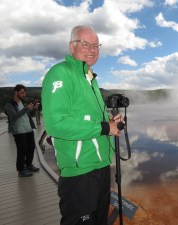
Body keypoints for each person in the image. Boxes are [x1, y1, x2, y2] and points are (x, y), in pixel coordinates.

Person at [42, 25, 122, 225]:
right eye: (85, 44)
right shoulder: (60, 73)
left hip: (102, 166)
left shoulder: (90, 79)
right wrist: (104, 128)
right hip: (80, 172)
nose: (92, 49)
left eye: (96, 45)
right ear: (72, 46)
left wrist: (110, 123)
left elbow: (88, 118)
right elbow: (56, 124)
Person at [5, 84, 40, 177]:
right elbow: (13, 117)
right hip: (19, 131)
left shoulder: (22, 102)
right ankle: (21, 170)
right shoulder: (10, 104)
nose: (24, 94)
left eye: (25, 93)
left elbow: (28, 115)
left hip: (28, 129)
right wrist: (26, 108)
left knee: (31, 148)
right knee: (22, 150)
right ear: (16, 92)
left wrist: (34, 109)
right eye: (22, 92)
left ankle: (28, 166)